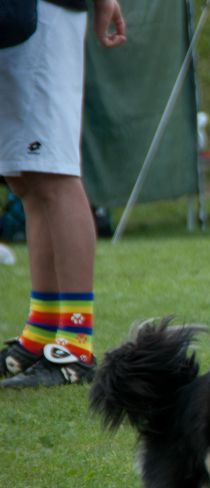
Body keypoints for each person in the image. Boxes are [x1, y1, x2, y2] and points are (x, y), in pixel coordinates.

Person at [0, 0, 126, 388]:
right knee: (25, 179)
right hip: (15, 16)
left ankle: (75, 343)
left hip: (44, 12)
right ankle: (40, 335)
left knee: (53, 172)